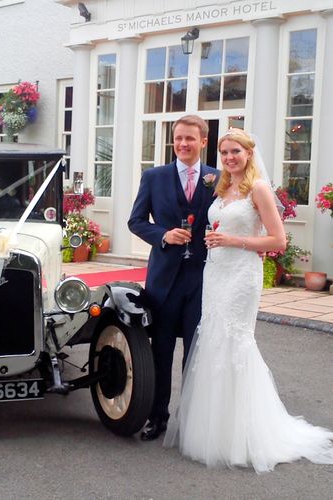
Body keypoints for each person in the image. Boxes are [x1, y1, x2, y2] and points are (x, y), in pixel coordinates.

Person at [164, 128, 333, 472]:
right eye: (225, 152)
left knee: (235, 342)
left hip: (241, 275)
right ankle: (213, 430)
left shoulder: (258, 189)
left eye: (235, 151)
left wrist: (233, 241)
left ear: (249, 153)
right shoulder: (221, 187)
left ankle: (243, 434)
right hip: (216, 273)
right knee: (213, 340)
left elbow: (279, 240)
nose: (229, 157)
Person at [128, 115, 219, 441]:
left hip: (203, 279)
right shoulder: (154, 177)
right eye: (178, 138)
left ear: (203, 141)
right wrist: (163, 235)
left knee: (195, 352)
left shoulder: (219, 178)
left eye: (189, 138)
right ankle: (158, 416)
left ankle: (191, 420)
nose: (182, 144)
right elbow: (136, 221)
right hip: (164, 280)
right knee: (161, 350)